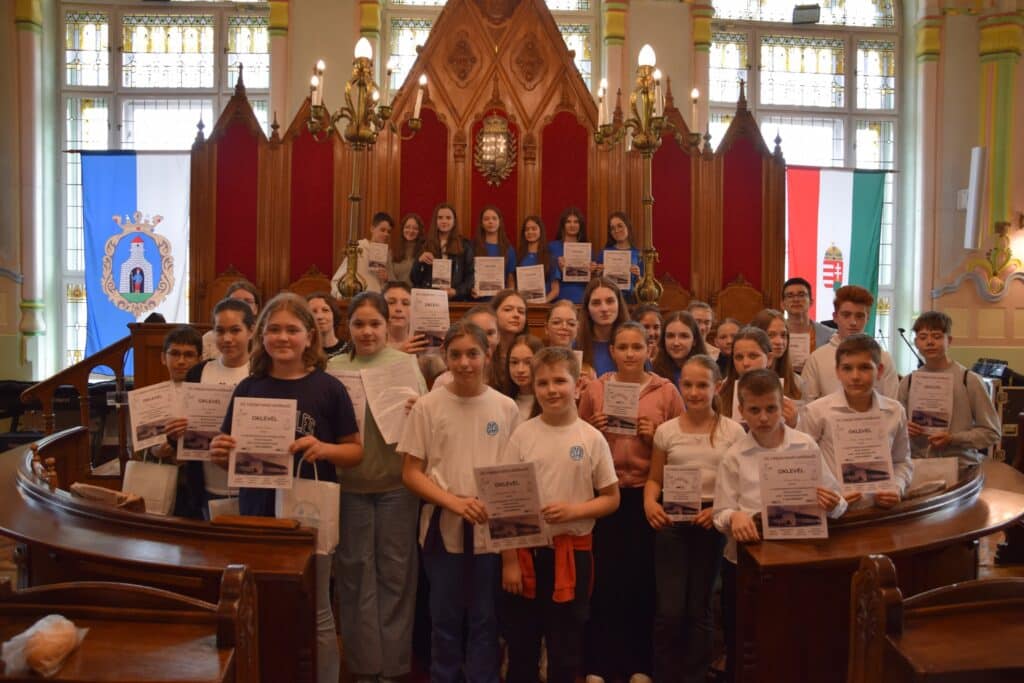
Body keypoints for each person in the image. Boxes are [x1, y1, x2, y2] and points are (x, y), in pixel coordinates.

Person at [210, 292, 363, 683]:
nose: (282, 337)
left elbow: (354, 451)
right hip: (256, 511)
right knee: (258, 605)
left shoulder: (329, 388)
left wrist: (323, 448)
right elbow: (227, 454)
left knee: (317, 610)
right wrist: (219, 451)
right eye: (274, 329)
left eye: (292, 330)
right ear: (261, 336)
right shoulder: (248, 388)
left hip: (308, 514)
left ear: (310, 336)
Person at [398, 320, 520, 683]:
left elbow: (513, 478)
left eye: (472, 354)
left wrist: (510, 551)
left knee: (485, 619)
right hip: (442, 527)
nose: (464, 363)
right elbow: (411, 473)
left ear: (488, 355)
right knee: (444, 618)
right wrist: (453, 501)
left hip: (490, 528)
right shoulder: (428, 407)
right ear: (445, 356)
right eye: (456, 355)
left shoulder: (505, 408)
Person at [712, 369, 847, 683]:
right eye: (754, 410)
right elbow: (720, 513)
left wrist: (834, 503)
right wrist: (734, 517)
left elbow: (838, 502)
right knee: (745, 641)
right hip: (746, 565)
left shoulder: (805, 445)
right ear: (741, 410)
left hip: (797, 558)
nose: (763, 417)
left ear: (783, 405)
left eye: (771, 408)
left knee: (795, 637)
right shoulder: (734, 456)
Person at [500, 347, 620, 683]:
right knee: (522, 645)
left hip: (572, 554)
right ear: (533, 387)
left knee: (565, 648)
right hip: (526, 554)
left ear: (577, 385)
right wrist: (509, 560)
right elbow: (505, 500)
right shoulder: (523, 434)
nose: (551, 390)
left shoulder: (591, 438)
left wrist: (574, 510)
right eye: (543, 383)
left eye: (559, 381)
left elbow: (611, 499)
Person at [328, 292, 427, 683]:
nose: (367, 332)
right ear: (347, 327)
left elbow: (425, 424)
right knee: (355, 576)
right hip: (349, 488)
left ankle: (393, 668)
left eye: (375, 324)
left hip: (396, 487)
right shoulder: (334, 367)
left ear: (388, 326)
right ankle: (364, 667)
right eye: (359, 324)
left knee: (396, 576)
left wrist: (417, 409)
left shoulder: (405, 364)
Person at [579, 321, 684, 683]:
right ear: (611, 351)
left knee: (641, 581)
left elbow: (681, 446)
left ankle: (640, 664)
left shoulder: (666, 391)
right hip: (605, 494)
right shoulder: (596, 389)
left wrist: (656, 436)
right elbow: (576, 440)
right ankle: (599, 664)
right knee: (604, 581)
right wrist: (594, 430)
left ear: (649, 351)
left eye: (636, 347)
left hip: (645, 494)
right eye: (622, 347)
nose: (629, 354)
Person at [645, 355, 745, 683]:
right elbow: (655, 478)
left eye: (702, 385)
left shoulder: (733, 431)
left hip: (712, 521)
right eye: (687, 384)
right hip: (672, 521)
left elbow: (739, 485)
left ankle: (694, 677)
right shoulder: (667, 431)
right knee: (670, 609)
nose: (694, 392)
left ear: (718, 386)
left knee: (699, 608)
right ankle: (665, 675)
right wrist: (649, 502)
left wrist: (716, 509)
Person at [799, 334, 913, 509]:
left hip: (878, 510)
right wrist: (826, 494)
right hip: (835, 512)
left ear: (879, 371)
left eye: (865, 368)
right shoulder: (816, 411)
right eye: (847, 368)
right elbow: (801, 463)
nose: (855, 376)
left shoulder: (895, 411)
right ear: (837, 372)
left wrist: (896, 487)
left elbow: (902, 461)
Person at [180, 299, 255, 520]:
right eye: (220, 331)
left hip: (252, 487)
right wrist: (177, 435)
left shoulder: (262, 374)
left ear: (251, 331)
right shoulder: (197, 373)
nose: (227, 338)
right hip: (207, 487)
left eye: (235, 330)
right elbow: (185, 433)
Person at [897, 311, 1000, 470]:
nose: (929, 342)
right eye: (923, 337)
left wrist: (953, 438)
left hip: (961, 467)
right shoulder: (908, 382)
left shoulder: (969, 380)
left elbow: (991, 432)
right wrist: (904, 429)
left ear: (949, 340)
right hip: (918, 467)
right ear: (916, 342)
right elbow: (894, 431)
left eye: (937, 336)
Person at [801, 285, 898, 401]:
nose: (853, 322)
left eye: (859, 316)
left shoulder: (883, 358)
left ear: (867, 318)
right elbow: (807, 405)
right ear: (835, 317)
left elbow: (892, 404)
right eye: (846, 315)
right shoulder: (817, 358)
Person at [720, 327, 797, 427]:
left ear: (769, 359)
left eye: (753, 356)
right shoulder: (720, 396)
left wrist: (792, 424)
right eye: (739, 357)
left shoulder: (785, 403)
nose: (745, 363)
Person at [411, 203, 475, 301]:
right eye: (440, 218)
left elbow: (471, 276)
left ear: (454, 221)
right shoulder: (424, 244)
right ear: (435, 221)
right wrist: (419, 262)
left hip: (456, 300)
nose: (444, 221)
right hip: (429, 299)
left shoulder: (465, 245)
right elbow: (414, 279)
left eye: (448, 218)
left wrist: (456, 291)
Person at [577, 277, 629, 378]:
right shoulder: (576, 347)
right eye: (596, 303)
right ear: (587, 309)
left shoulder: (635, 344)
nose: (604, 308)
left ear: (619, 304)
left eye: (610, 301)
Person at [331, 211, 394, 295]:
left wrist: (386, 279)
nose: (386, 234)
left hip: (377, 298)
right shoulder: (358, 248)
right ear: (372, 229)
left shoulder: (387, 254)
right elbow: (340, 278)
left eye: (389, 232)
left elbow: (391, 284)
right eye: (382, 230)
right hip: (359, 296)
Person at [780, 277, 833, 372]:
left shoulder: (829, 335)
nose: (796, 299)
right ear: (782, 304)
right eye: (790, 296)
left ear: (811, 302)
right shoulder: (772, 333)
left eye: (801, 295)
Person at [750, 309, 803, 403]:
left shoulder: (797, 381)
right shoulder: (742, 376)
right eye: (771, 335)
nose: (779, 341)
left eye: (783, 335)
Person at [202, 280, 259, 360]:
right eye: (235, 301)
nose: (242, 305)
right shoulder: (209, 339)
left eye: (248, 301)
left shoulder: (265, 338)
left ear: (256, 308)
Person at [549, 207, 596, 304]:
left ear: (580, 225)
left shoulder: (587, 249)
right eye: (568, 222)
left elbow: (591, 282)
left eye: (576, 222)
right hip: (559, 297)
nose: (572, 225)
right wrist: (559, 269)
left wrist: (592, 272)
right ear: (563, 225)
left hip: (581, 297)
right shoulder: (552, 247)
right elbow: (546, 276)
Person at [652, 311, 708, 388]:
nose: (676, 343)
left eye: (684, 336)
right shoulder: (653, 371)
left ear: (694, 340)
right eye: (670, 336)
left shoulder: (707, 371)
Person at [597, 212, 642, 302]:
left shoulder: (638, 254)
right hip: (608, 299)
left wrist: (638, 276)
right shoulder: (604, 253)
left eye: (620, 226)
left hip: (631, 301)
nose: (616, 230)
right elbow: (597, 282)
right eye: (612, 228)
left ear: (628, 227)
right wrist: (598, 273)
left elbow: (643, 286)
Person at [472, 205, 517, 296]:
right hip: (476, 299)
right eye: (486, 219)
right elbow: (467, 276)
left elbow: (511, 280)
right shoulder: (472, 246)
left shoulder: (508, 249)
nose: (490, 222)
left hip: (500, 300)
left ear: (500, 222)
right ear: (481, 223)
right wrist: (470, 290)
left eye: (494, 218)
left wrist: (508, 294)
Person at [491, 289, 528, 395]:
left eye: (521, 311)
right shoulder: (485, 351)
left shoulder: (533, 350)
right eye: (508, 310)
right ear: (494, 313)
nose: (516, 315)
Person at [516, 215, 561, 302]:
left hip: (543, 306)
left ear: (541, 231)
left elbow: (555, 290)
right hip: (522, 305)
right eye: (527, 229)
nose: (530, 232)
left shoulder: (550, 258)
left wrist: (543, 302)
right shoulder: (518, 257)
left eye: (534, 229)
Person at [507, 334, 543, 421]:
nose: (520, 370)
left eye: (528, 363)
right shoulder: (503, 399)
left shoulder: (548, 402)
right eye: (514, 362)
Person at [306, 291, 346, 358]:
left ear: (334, 314)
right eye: (313, 311)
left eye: (325, 310)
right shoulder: (303, 353)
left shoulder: (350, 351)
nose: (319, 316)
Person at [391, 213, 426, 286]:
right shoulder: (393, 250)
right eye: (407, 227)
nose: (411, 231)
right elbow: (390, 276)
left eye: (415, 228)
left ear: (419, 231)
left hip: (416, 292)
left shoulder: (424, 252)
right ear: (402, 229)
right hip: (396, 290)